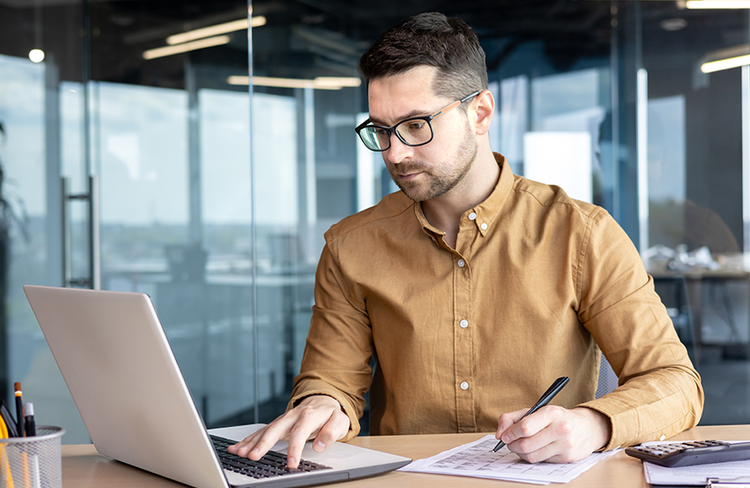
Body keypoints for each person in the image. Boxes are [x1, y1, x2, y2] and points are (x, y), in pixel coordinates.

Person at [228, 12, 704, 468]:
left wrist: (592, 423)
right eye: (380, 130)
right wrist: (324, 402)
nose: (395, 152)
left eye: (416, 125)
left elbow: (676, 383)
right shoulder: (350, 246)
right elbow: (330, 377)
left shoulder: (582, 233)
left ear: (480, 112)